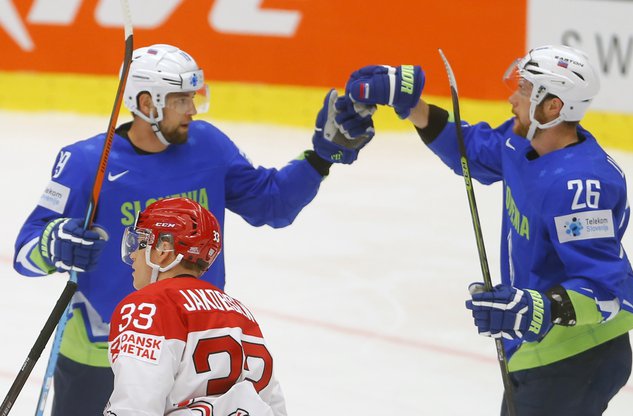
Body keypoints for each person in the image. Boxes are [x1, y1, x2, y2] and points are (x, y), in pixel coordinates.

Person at [13, 43, 375, 416]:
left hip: (188, 350)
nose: (192, 110)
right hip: (99, 349)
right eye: (180, 100)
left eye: (192, 97)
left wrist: (320, 158)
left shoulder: (209, 146)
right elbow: (25, 250)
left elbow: (272, 204)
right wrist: (54, 243)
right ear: (147, 103)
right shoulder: (86, 161)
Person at [345, 46, 633, 415]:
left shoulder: (580, 186)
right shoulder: (525, 141)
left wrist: (536, 308)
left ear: (553, 107)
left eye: (525, 90)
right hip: (540, 347)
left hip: (579, 353)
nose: (511, 98)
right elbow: (474, 150)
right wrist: (413, 107)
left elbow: (603, 289)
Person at [104, 197, 284, 415]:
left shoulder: (147, 306)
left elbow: (135, 405)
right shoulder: (239, 312)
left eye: (142, 242)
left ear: (163, 248)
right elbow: (273, 404)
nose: (134, 254)